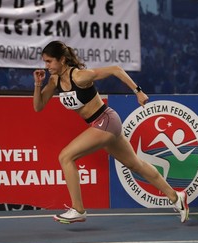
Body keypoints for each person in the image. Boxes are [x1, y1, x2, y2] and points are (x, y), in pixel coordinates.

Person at [33, 41, 189, 224]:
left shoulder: (80, 77)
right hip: (100, 125)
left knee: (66, 157)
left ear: (62, 60)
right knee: (135, 164)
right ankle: (176, 197)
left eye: (49, 61)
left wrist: (138, 91)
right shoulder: (54, 80)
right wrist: (37, 85)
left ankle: (78, 209)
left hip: (106, 121)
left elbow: (116, 69)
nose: (46, 66)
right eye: (45, 62)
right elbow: (38, 106)